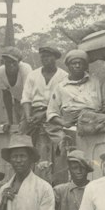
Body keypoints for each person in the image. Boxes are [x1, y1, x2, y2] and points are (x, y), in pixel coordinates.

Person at [46, 49, 105, 168]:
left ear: (85, 65)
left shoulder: (95, 82)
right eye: (74, 63)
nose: (77, 65)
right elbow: (51, 112)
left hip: (97, 120)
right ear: (68, 66)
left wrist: (102, 112)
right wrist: (64, 122)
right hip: (77, 123)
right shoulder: (61, 87)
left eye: (80, 63)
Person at [21, 43, 67, 172]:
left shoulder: (63, 76)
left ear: (55, 58)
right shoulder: (33, 75)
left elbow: (63, 101)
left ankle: (59, 173)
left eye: (48, 57)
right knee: (21, 141)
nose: (45, 59)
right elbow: (26, 98)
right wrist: (29, 116)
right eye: (43, 57)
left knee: (60, 141)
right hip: (33, 111)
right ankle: (24, 173)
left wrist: (44, 114)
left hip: (55, 113)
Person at [0, 48, 33, 133]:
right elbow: (6, 96)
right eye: (8, 62)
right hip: (17, 102)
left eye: (14, 62)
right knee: (15, 128)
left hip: (32, 102)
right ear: (4, 62)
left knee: (25, 128)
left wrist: (26, 117)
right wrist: (10, 121)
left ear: (19, 62)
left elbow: (28, 94)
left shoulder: (25, 69)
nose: (11, 65)